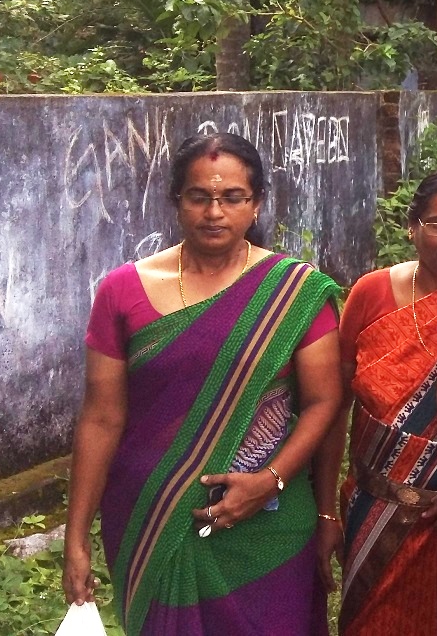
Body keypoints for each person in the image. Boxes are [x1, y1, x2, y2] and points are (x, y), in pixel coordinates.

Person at [64, 132, 342, 635]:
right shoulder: (122, 291)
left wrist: (270, 480)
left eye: (232, 197)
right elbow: (101, 417)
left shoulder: (293, 292)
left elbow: (325, 401)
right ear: (176, 202)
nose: (215, 211)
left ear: (255, 205)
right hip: (151, 517)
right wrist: (76, 536)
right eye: (199, 197)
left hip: (269, 524)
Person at [316, 167, 437, 636]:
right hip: (373, 509)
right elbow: (333, 409)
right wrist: (326, 512)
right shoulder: (371, 293)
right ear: (412, 227)